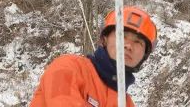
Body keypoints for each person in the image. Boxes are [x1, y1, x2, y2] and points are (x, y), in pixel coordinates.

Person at [29, 6, 157, 107]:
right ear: (105, 39)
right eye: (122, 35)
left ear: (144, 56)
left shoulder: (127, 104)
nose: (128, 45)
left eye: (138, 42)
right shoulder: (67, 67)